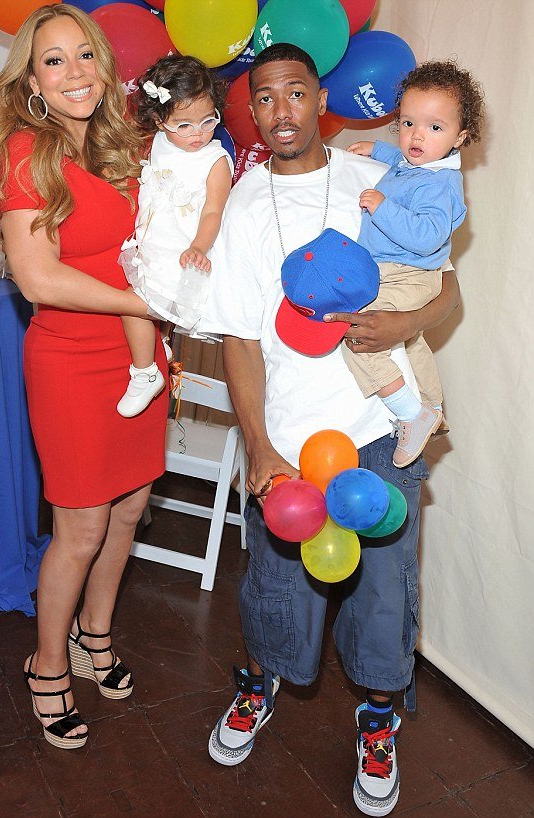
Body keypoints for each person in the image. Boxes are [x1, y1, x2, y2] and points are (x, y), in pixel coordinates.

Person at [199, 43, 461, 816]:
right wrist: (258, 445)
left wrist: (403, 324)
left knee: (385, 592)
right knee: (276, 586)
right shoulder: (243, 206)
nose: (281, 110)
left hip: (379, 425)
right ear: (253, 110)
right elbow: (239, 337)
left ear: (320, 99)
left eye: (296, 93)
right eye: (265, 97)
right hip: (290, 439)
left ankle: (378, 721)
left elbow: (445, 287)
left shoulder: (374, 177)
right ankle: (259, 686)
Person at [0, 4, 167, 750]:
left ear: (104, 65)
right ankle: (48, 664)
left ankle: (96, 635)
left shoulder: (122, 147)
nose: (74, 72)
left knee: (130, 509)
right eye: (53, 60)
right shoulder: (26, 152)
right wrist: (140, 305)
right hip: (71, 360)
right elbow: (37, 277)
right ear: (32, 81)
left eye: (84, 54)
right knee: (81, 525)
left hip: (138, 358)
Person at [345, 60, 484, 468]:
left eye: (434, 127)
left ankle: (411, 413)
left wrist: (383, 208)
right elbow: (406, 161)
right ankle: (432, 405)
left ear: (460, 137)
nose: (416, 136)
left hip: (409, 274)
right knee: (411, 341)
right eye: (408, 123)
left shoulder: (441, 185)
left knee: (359, 336)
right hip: (397, 272)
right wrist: (378, 150)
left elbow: (427, 236)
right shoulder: (422, 164)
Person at [116, 55, 233, 418]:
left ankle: (145, 372)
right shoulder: (156, 143)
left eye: (208, 120)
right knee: (147, 299)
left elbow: (214, 210)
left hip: (182, 251)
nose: (198, 133)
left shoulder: (214, 160)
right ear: (159, 120)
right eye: (184, 124)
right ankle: (161, 344)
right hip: (152, 243)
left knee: (134, 301)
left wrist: (199, 246)